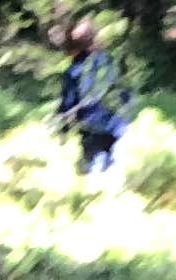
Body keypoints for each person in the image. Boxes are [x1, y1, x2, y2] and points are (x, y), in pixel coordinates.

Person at [56, 23, 131, 176]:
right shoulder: (108, 60)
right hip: (119, 120)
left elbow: (68, 104)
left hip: (92, 125)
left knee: (92, 168)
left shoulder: (73, 71)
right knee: (115, 161)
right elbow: (123, 87)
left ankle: (97, 182)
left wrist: (63, 130)